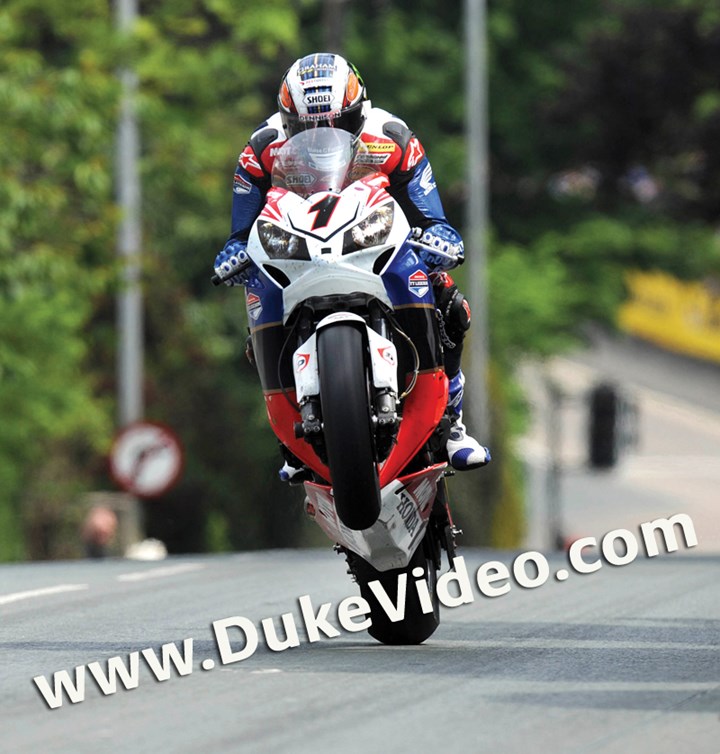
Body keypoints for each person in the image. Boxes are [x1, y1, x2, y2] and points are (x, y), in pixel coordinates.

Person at [214, 52, 490, 474]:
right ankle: (294, 428)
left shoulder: (393, 136)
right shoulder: (261, 148)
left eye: (337, 127)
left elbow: (428, 209)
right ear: (286, 120)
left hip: (373, 240)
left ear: (359, 113)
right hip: (299, 251)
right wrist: (234, 250)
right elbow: (241, 227)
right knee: (256, 297)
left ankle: (452, 424)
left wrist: (440, 234)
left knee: (450, 302)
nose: (321, 140)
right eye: (305, 130)